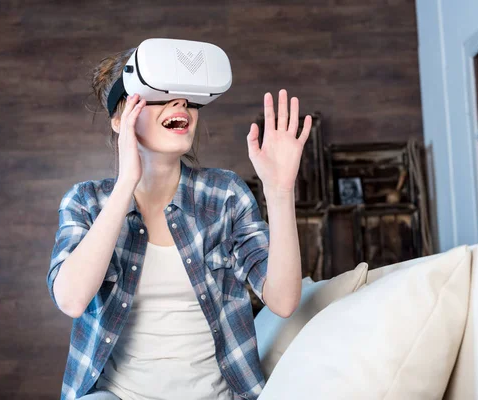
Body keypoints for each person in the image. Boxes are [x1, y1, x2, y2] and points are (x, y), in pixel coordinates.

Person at [46, 47, 312, 400]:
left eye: (187, 99)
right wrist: (126, 183)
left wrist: (280, 192)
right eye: (160, 95)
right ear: (118, 117)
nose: (180, 105)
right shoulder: (86, 202)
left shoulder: (224, 195)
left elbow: (282, 300)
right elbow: (72, 300)